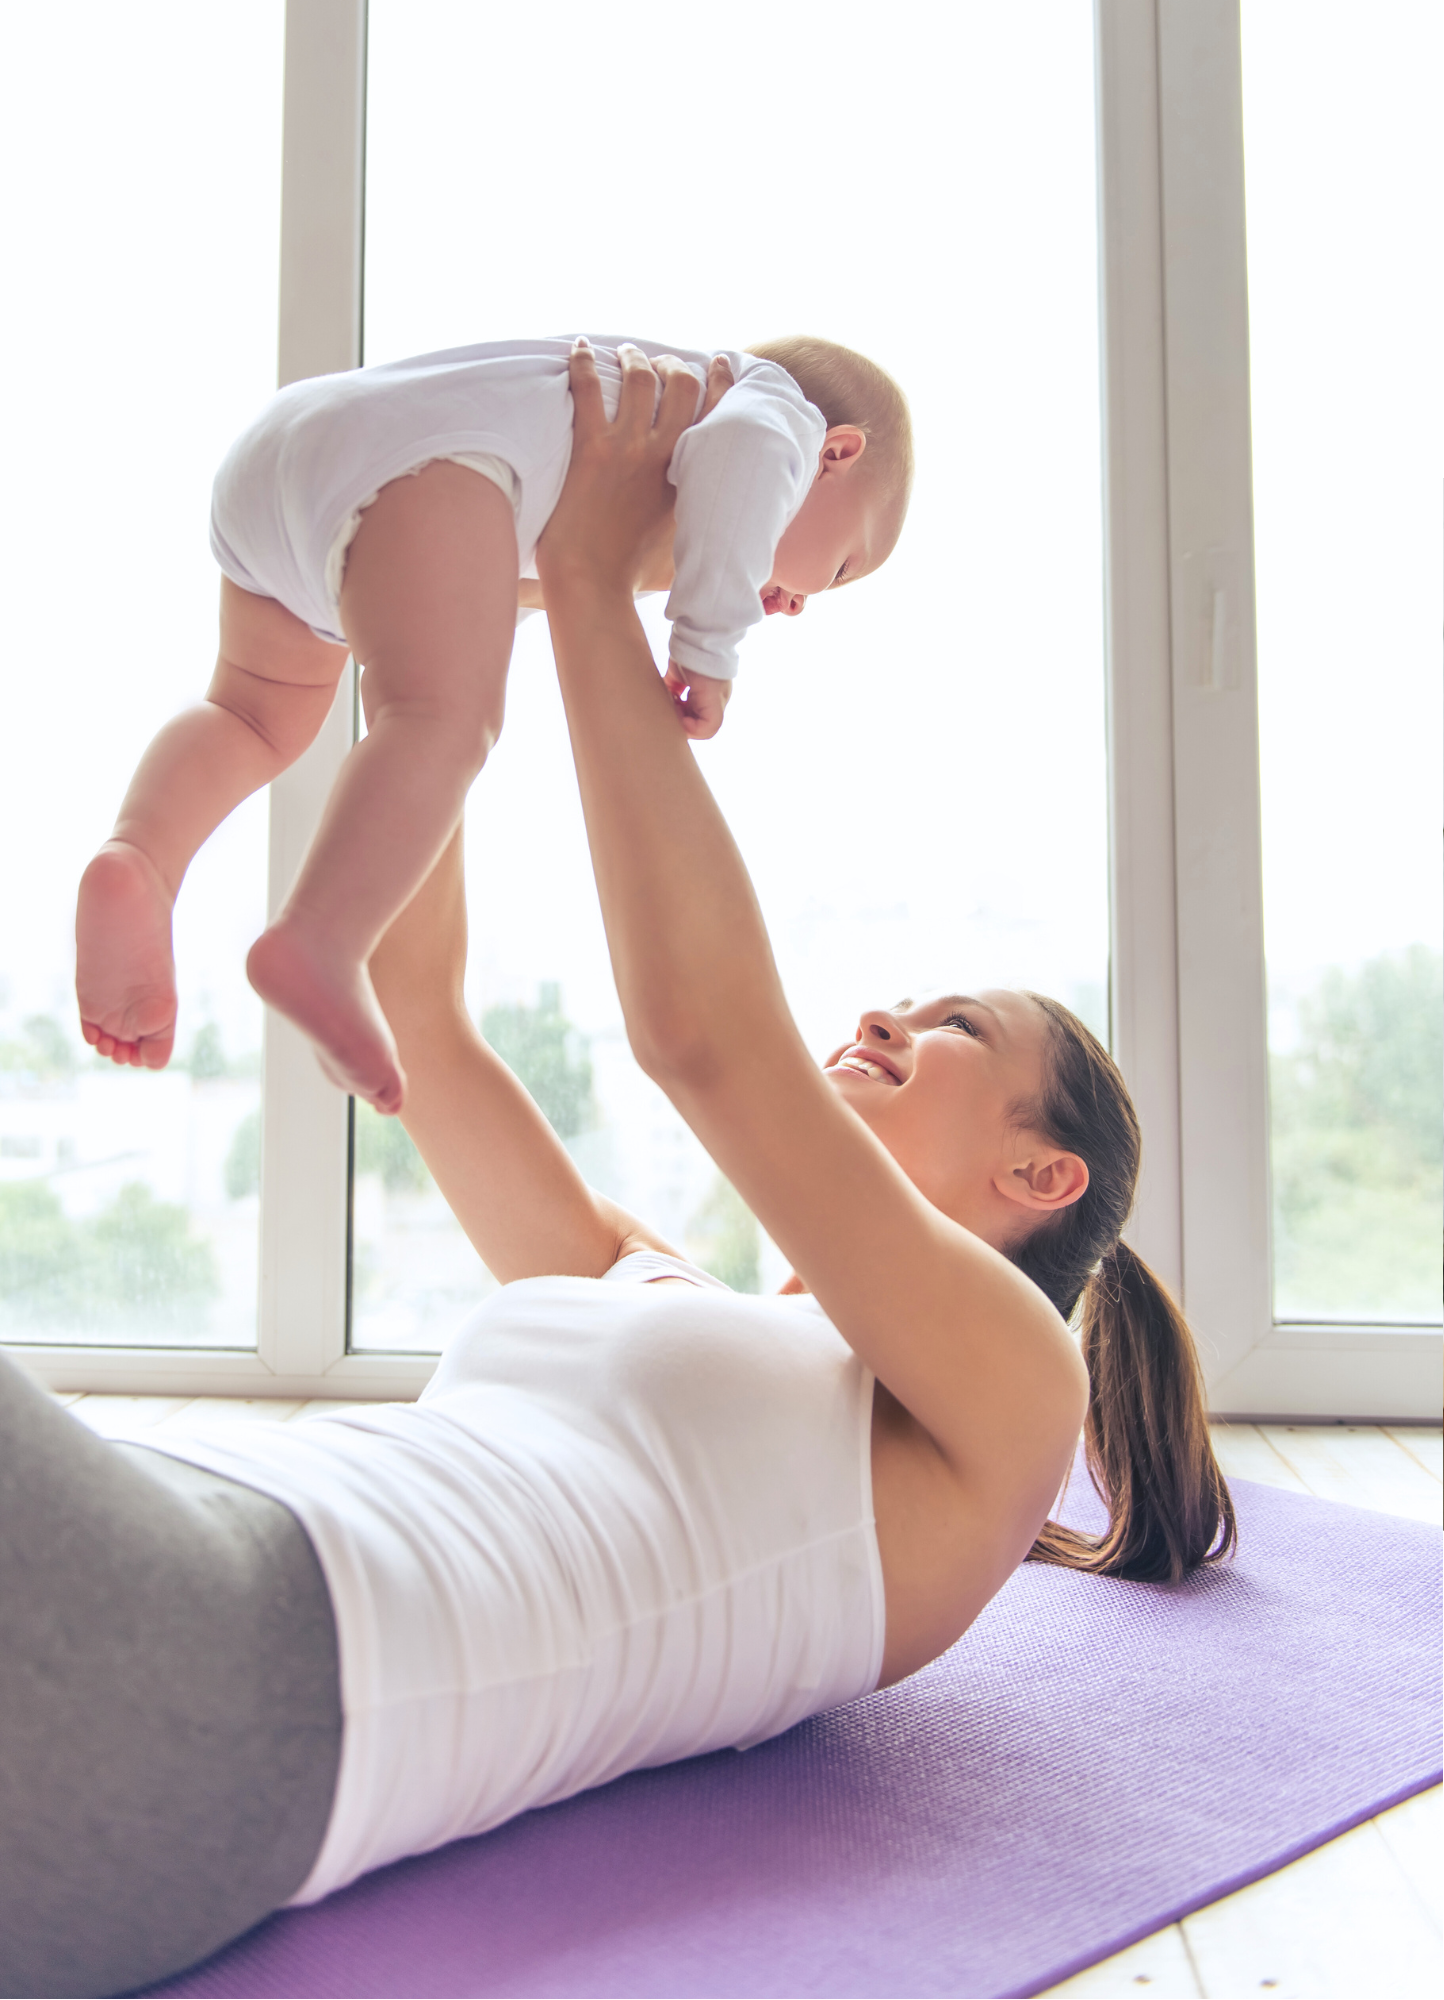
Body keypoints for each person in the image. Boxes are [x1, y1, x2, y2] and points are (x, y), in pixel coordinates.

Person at [0, 347, 1233, 1999]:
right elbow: (422, 1026)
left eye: (952, 1025)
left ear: (1039, 1172)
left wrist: (592, 576)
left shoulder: (995, 1405)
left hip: (225, 1677)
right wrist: (438, 595)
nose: (883, 1009)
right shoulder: (655, 1283)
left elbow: (704, 1043)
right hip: (189, 1533)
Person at [73, 333, 912, 1116]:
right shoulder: (771, 419)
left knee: (253, 712)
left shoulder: (644, 444)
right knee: (444, 717)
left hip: (286, 459)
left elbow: (493, 588)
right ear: (836, 454)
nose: (802, 605)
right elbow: (744, 468)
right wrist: (707, 648)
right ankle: (321, 936)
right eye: (840, 570)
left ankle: (141, 857)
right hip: (419, 461)